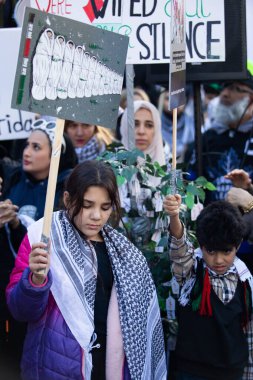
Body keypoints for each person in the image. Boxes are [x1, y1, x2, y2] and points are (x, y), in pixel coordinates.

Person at [6, 160, 167, 380]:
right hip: (55, 369)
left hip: (109, 369)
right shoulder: (42, 237)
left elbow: (139, 329)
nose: (96, 216)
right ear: (67, 200)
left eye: (105, 207)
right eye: (87, 204)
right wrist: (34, 281)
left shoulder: (125, 253)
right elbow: (20, 311)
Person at [163, 194, 253, 380]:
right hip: (191, 372)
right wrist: (174, 217)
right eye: (210, 251)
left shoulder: (246, 280)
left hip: (232, 372)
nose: (218, 260)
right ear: (201, 246)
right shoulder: (191, 271)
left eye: (226, 251)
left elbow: (249, 332)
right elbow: (179, 248)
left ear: (238, 245)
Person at [186, 71, 253, 203]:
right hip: (210, 220)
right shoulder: (207, 138)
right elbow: (189, 182)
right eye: (225, 87)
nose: (225, 94)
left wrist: (249, 191)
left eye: (236, 89)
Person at [2, 118, 77, 221]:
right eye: (27, 145)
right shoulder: (13, 177)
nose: (26, 153)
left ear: (56, 154)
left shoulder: (69, 189)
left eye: (36, 147)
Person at [120, 100, 169, 167]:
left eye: (149, 125)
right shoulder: (111, 165)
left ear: (156, 130)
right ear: (125, 128)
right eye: (135, 124)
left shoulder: (170, 167)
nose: (141, 131)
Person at [158, 90, 195, 163]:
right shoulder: (155, 123)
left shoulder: (192, 123)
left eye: (179, 99)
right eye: (168, 98)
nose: (174, 102)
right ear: (160, 101)